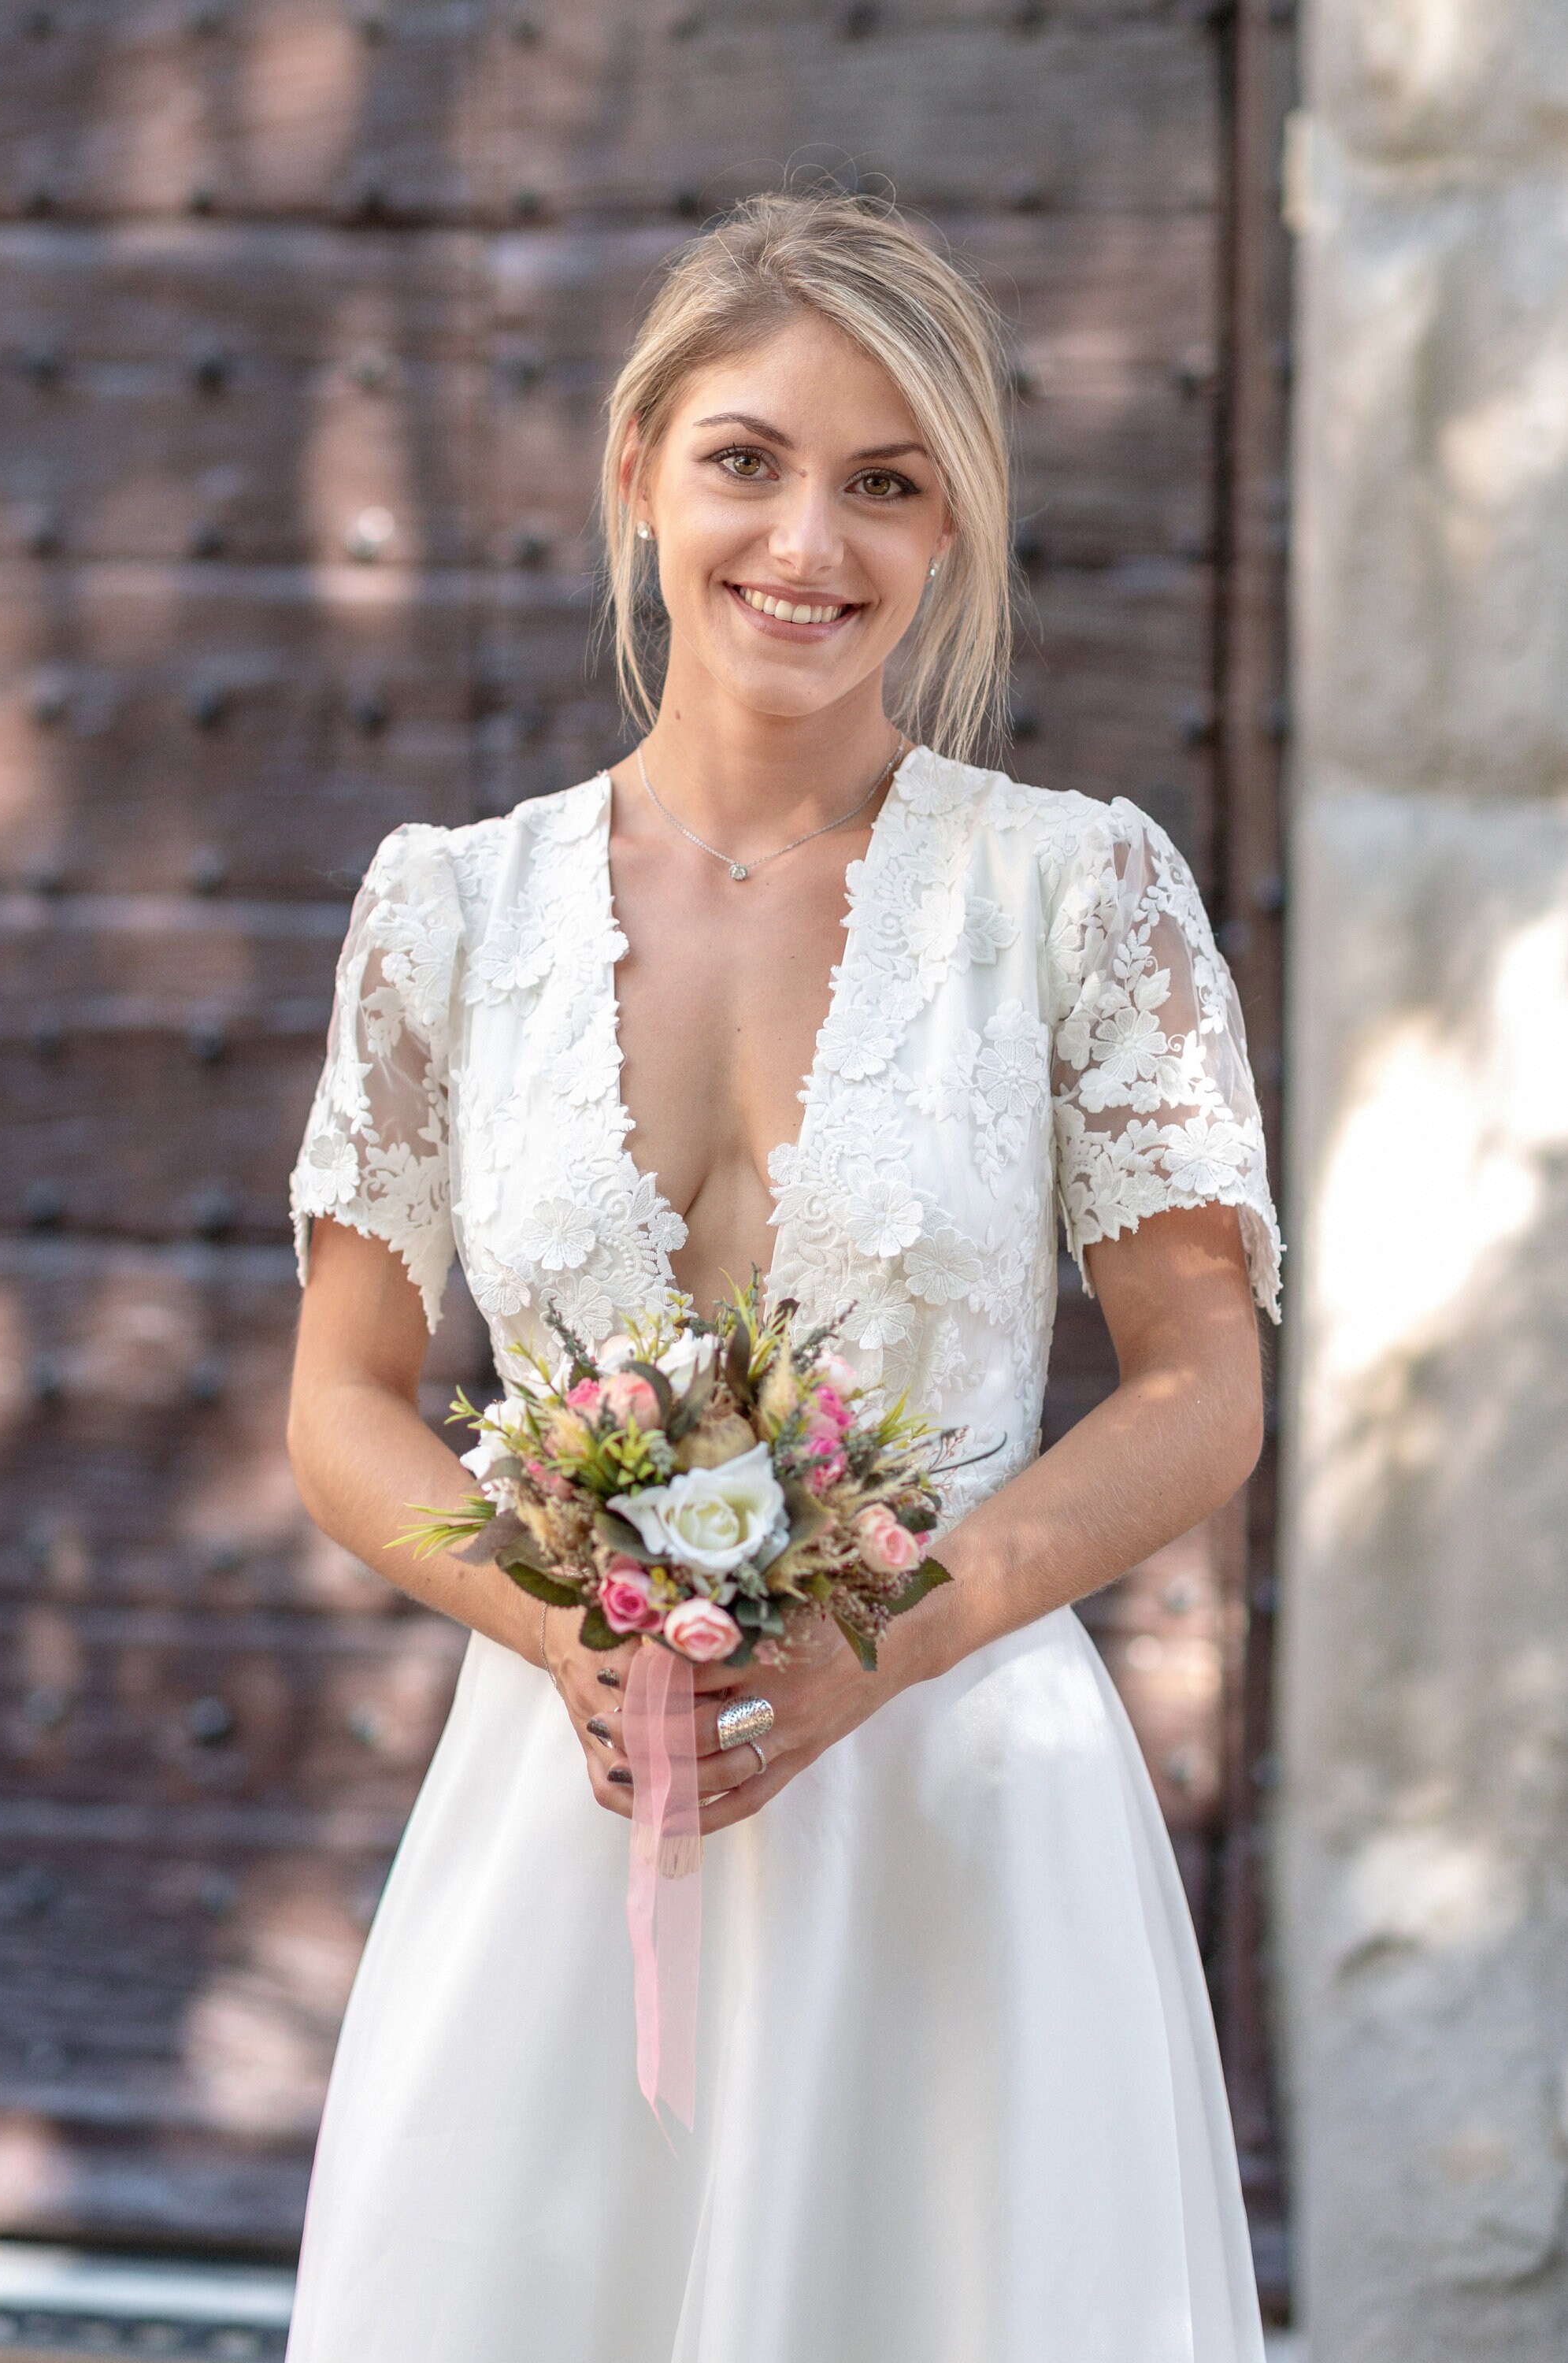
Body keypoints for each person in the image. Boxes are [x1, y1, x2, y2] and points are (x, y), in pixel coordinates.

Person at [284, 190, 1279, 2362]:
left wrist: (892, 1640)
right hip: (561, 1820)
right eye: (746, 459)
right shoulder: (446, 911)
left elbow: (1201, 1386)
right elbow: (344, 1399)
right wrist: (549, 1625)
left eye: (884, 484)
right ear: (638, 474)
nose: (805, 543)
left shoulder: (1073, 896)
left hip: (959, 1812)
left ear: (949, 537)